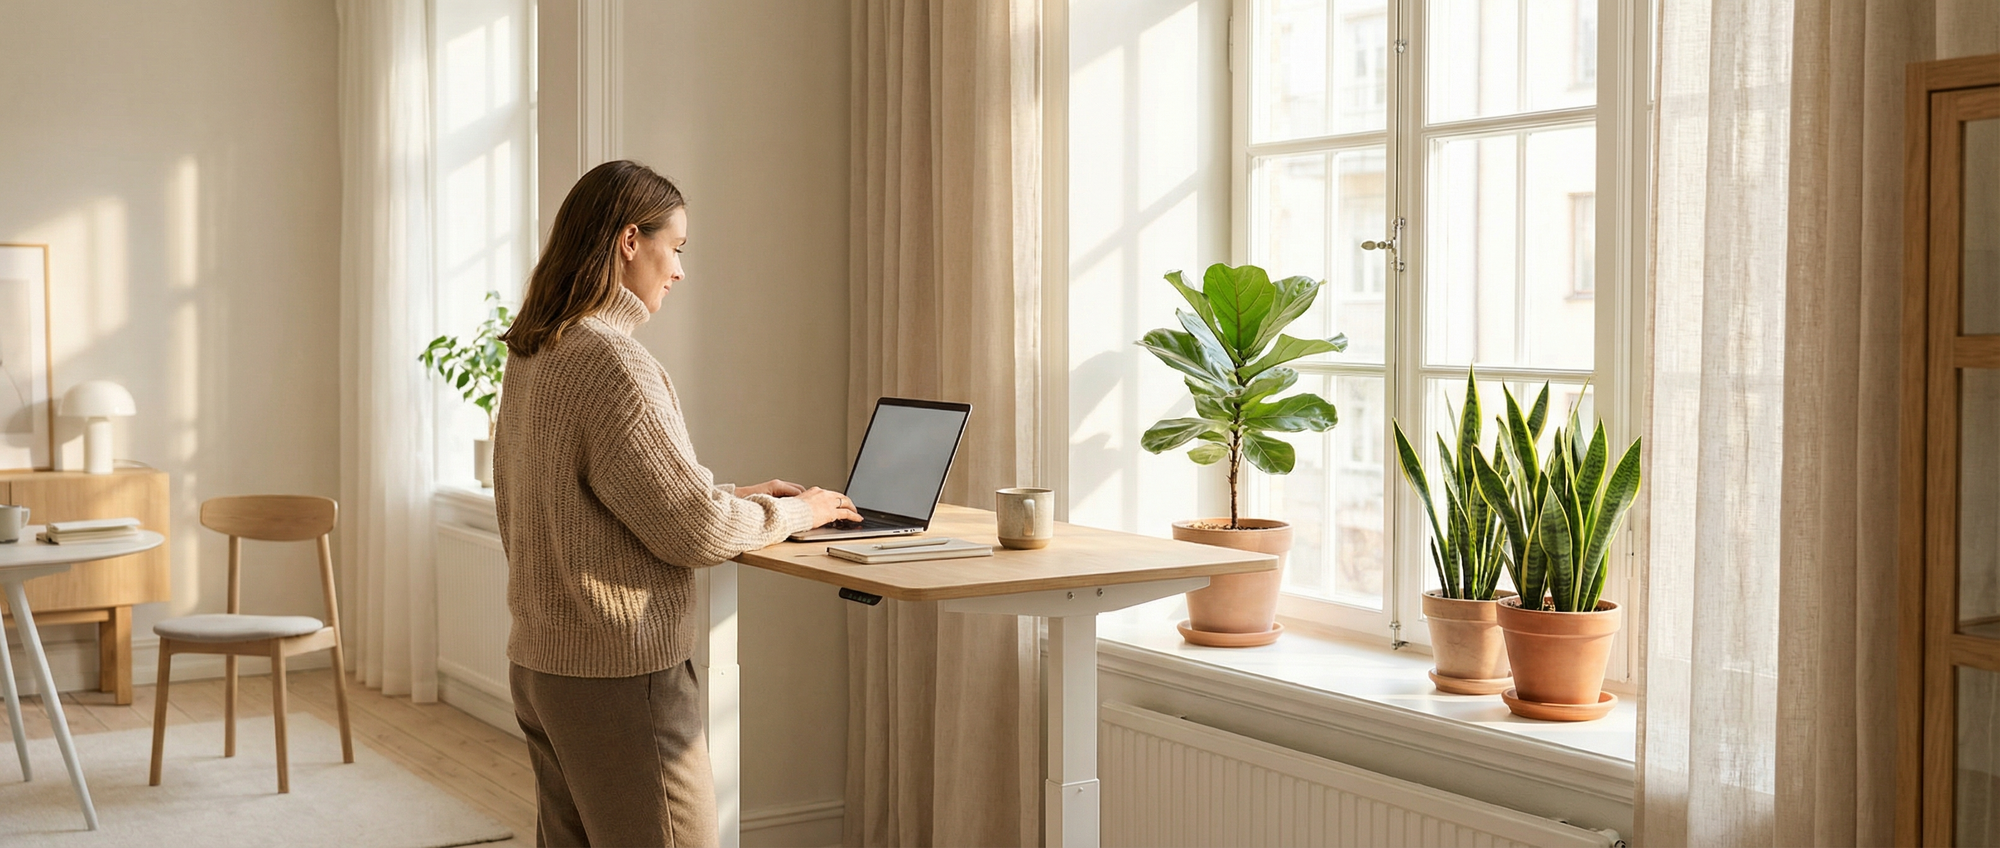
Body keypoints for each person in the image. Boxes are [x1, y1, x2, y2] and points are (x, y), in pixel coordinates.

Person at [491, 159, 860, 847]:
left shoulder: (537, 351)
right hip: (619, 677)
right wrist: (803, 512)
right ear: (631, 240)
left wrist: (736, 496)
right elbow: (694, 533)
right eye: (677, 248)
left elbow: (581, 495)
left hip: (544, 668)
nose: (680, 271)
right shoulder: (612, 362)